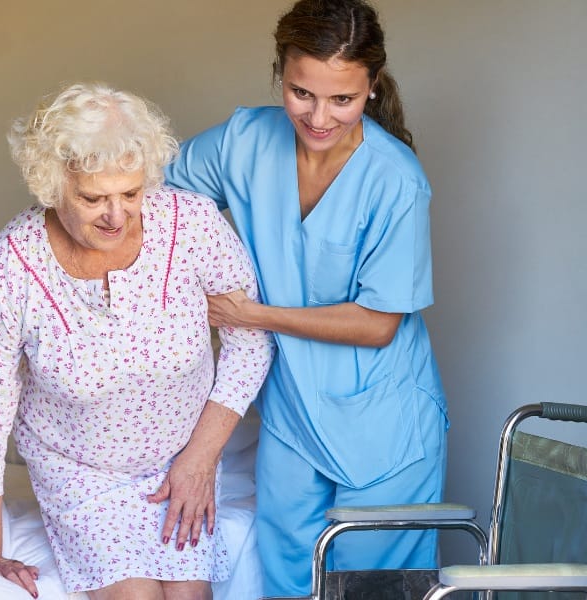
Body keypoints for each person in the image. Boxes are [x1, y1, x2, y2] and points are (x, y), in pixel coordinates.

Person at [163, 0, 448, 595]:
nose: (319, 116)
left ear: (371, 87)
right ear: (280, 74)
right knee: (288, 582)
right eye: (301, 93)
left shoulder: (395, 180)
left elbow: (377, 325)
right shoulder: (245, 141)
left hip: (384, 426)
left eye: (342, 99)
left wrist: (250, 314)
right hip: (292, 414)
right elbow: (151, 197)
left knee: (370, 588)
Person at [0, 82, 273, 600]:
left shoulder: (191, 224)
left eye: (131, 193)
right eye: (93, 198)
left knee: (189, 595)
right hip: (80, 469)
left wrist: (200, 458)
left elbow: (249, 340)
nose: (117, 216)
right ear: (52, 184)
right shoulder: (12, 263)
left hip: (183, 453)